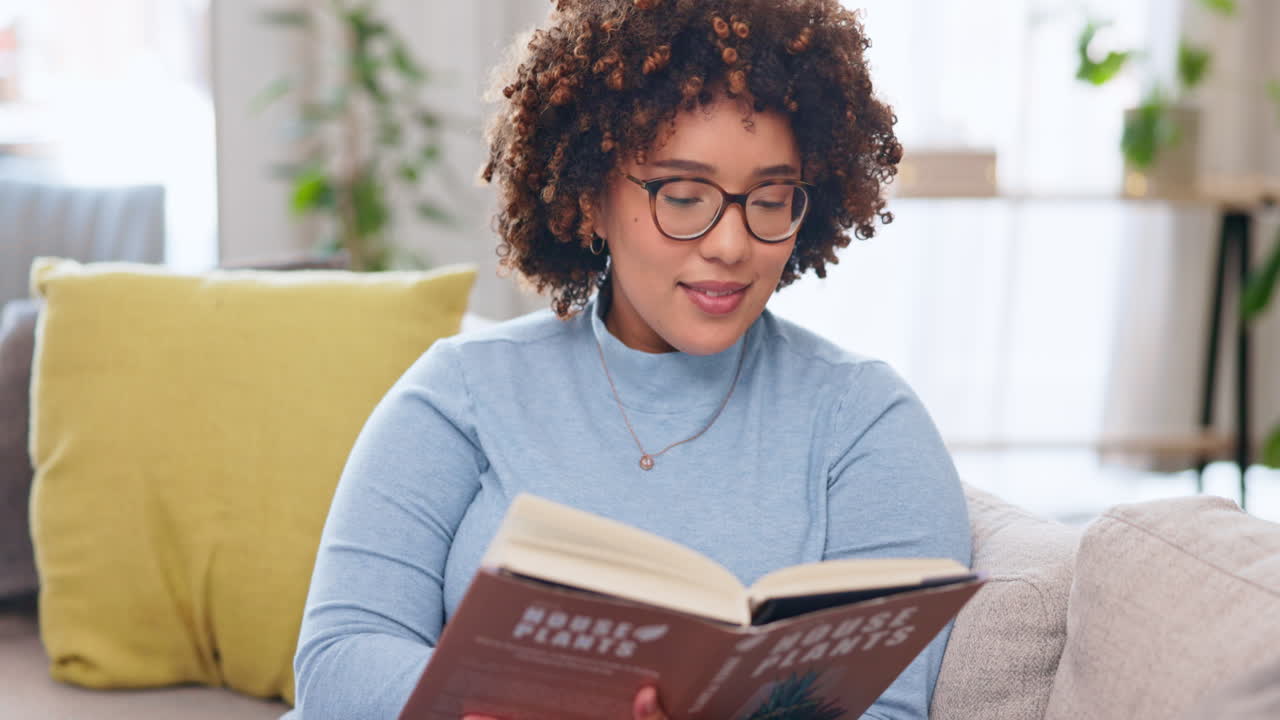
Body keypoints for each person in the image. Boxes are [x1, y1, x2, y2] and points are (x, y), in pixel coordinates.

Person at [291, 1, 971, 718]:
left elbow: (888, 708)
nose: (732, 246)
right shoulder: (461, 391)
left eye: (771, 200)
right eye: (683, 196)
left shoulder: (865, 424)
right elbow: (339, 660)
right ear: (589, 196)